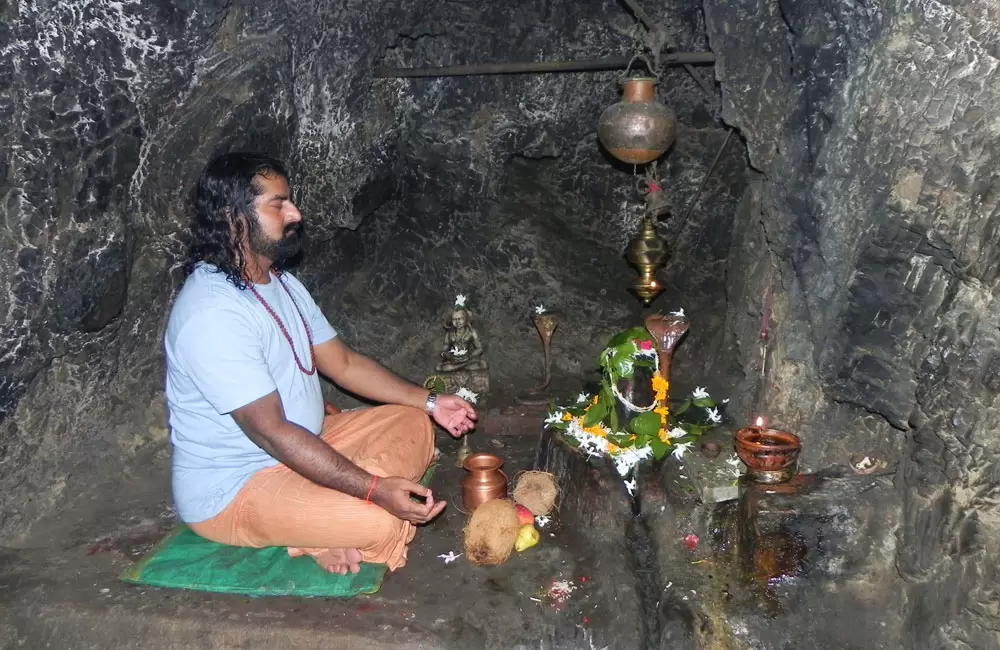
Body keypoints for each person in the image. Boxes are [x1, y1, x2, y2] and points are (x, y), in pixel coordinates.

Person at [163, 152, 477, 575]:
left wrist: (432, 402)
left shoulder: (281, 282)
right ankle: (315, 532)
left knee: (415, 421)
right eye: (278, 204)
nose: (295, 212)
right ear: (234, 218)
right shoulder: (212, 313)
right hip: (238, 487)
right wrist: (374, 490)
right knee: (381, 519)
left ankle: (327, 507)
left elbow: (343, 364)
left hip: (309, 441)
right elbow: (272, 433)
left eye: (290, 200)